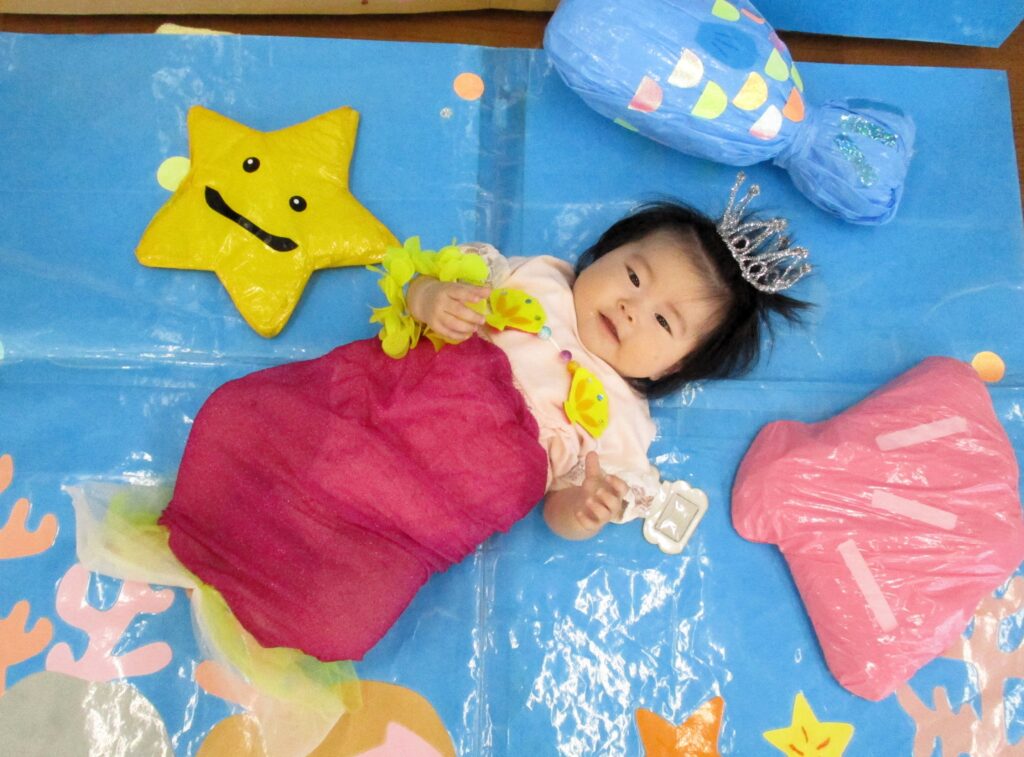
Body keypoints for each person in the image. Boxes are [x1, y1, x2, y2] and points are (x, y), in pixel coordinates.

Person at [147, 173, 812, 664]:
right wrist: (431, 298)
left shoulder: (625, 424)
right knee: (247, 419)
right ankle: (226, 506)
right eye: (633, 276)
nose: (633, 308)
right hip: (375, 407)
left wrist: (582, 506)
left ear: (675, 367)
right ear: (599, 256)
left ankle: (295, 570)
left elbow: (558, 510)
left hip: (424, 509)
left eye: (664, 322)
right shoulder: (532, 280)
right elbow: (412, 290)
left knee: (347, 616)